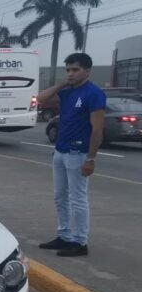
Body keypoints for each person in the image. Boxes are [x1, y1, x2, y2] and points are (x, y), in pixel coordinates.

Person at [37, 53, 106, 257]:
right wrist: (61, 84)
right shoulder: (67, 91)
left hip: (78, 153)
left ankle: (80, 241)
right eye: (68, 70)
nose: (71, 73)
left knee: (77, 198)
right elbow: (40, 99)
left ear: (87, 70)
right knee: (60, 197)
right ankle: (64, 235)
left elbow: (97, 130)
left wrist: (91, 159)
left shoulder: (93, 94)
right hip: (60, 151)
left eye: (75, 70)